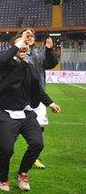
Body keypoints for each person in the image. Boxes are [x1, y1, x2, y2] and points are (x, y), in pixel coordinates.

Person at [0, 29, 61, 192]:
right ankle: (3, 178)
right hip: (7, 113)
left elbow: (37, 90)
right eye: (21, 45)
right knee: (7, 149)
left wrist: (50, 103)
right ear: (15, 47)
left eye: (26, 46)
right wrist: (21, 41)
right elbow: (4, 57)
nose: (24, 47)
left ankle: (22, 173)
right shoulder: (5, 63)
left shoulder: (30, 66)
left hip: (26, 112)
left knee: (37, 144)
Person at [30, 37, 60, 169]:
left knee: (40, 127)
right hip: (21, 96)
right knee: (14, 127)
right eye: (27, 35)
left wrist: (49, 50)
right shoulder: (18, 52)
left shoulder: (39, 53)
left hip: (39, 95)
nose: (30, 38)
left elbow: (51, 63)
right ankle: (7, 153)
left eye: (32, 36)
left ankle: (35, 157)